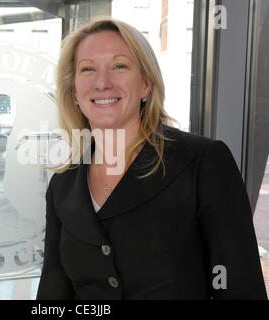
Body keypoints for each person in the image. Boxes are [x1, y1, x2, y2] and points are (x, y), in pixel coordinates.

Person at [36, 18, 267, 300]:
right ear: (74, 92)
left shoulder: (202, 162)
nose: (102, 82)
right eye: (88, 69)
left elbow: (241, 287)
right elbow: (52, 295)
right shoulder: (63, 185)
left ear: (146, 84)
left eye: (119, 66)